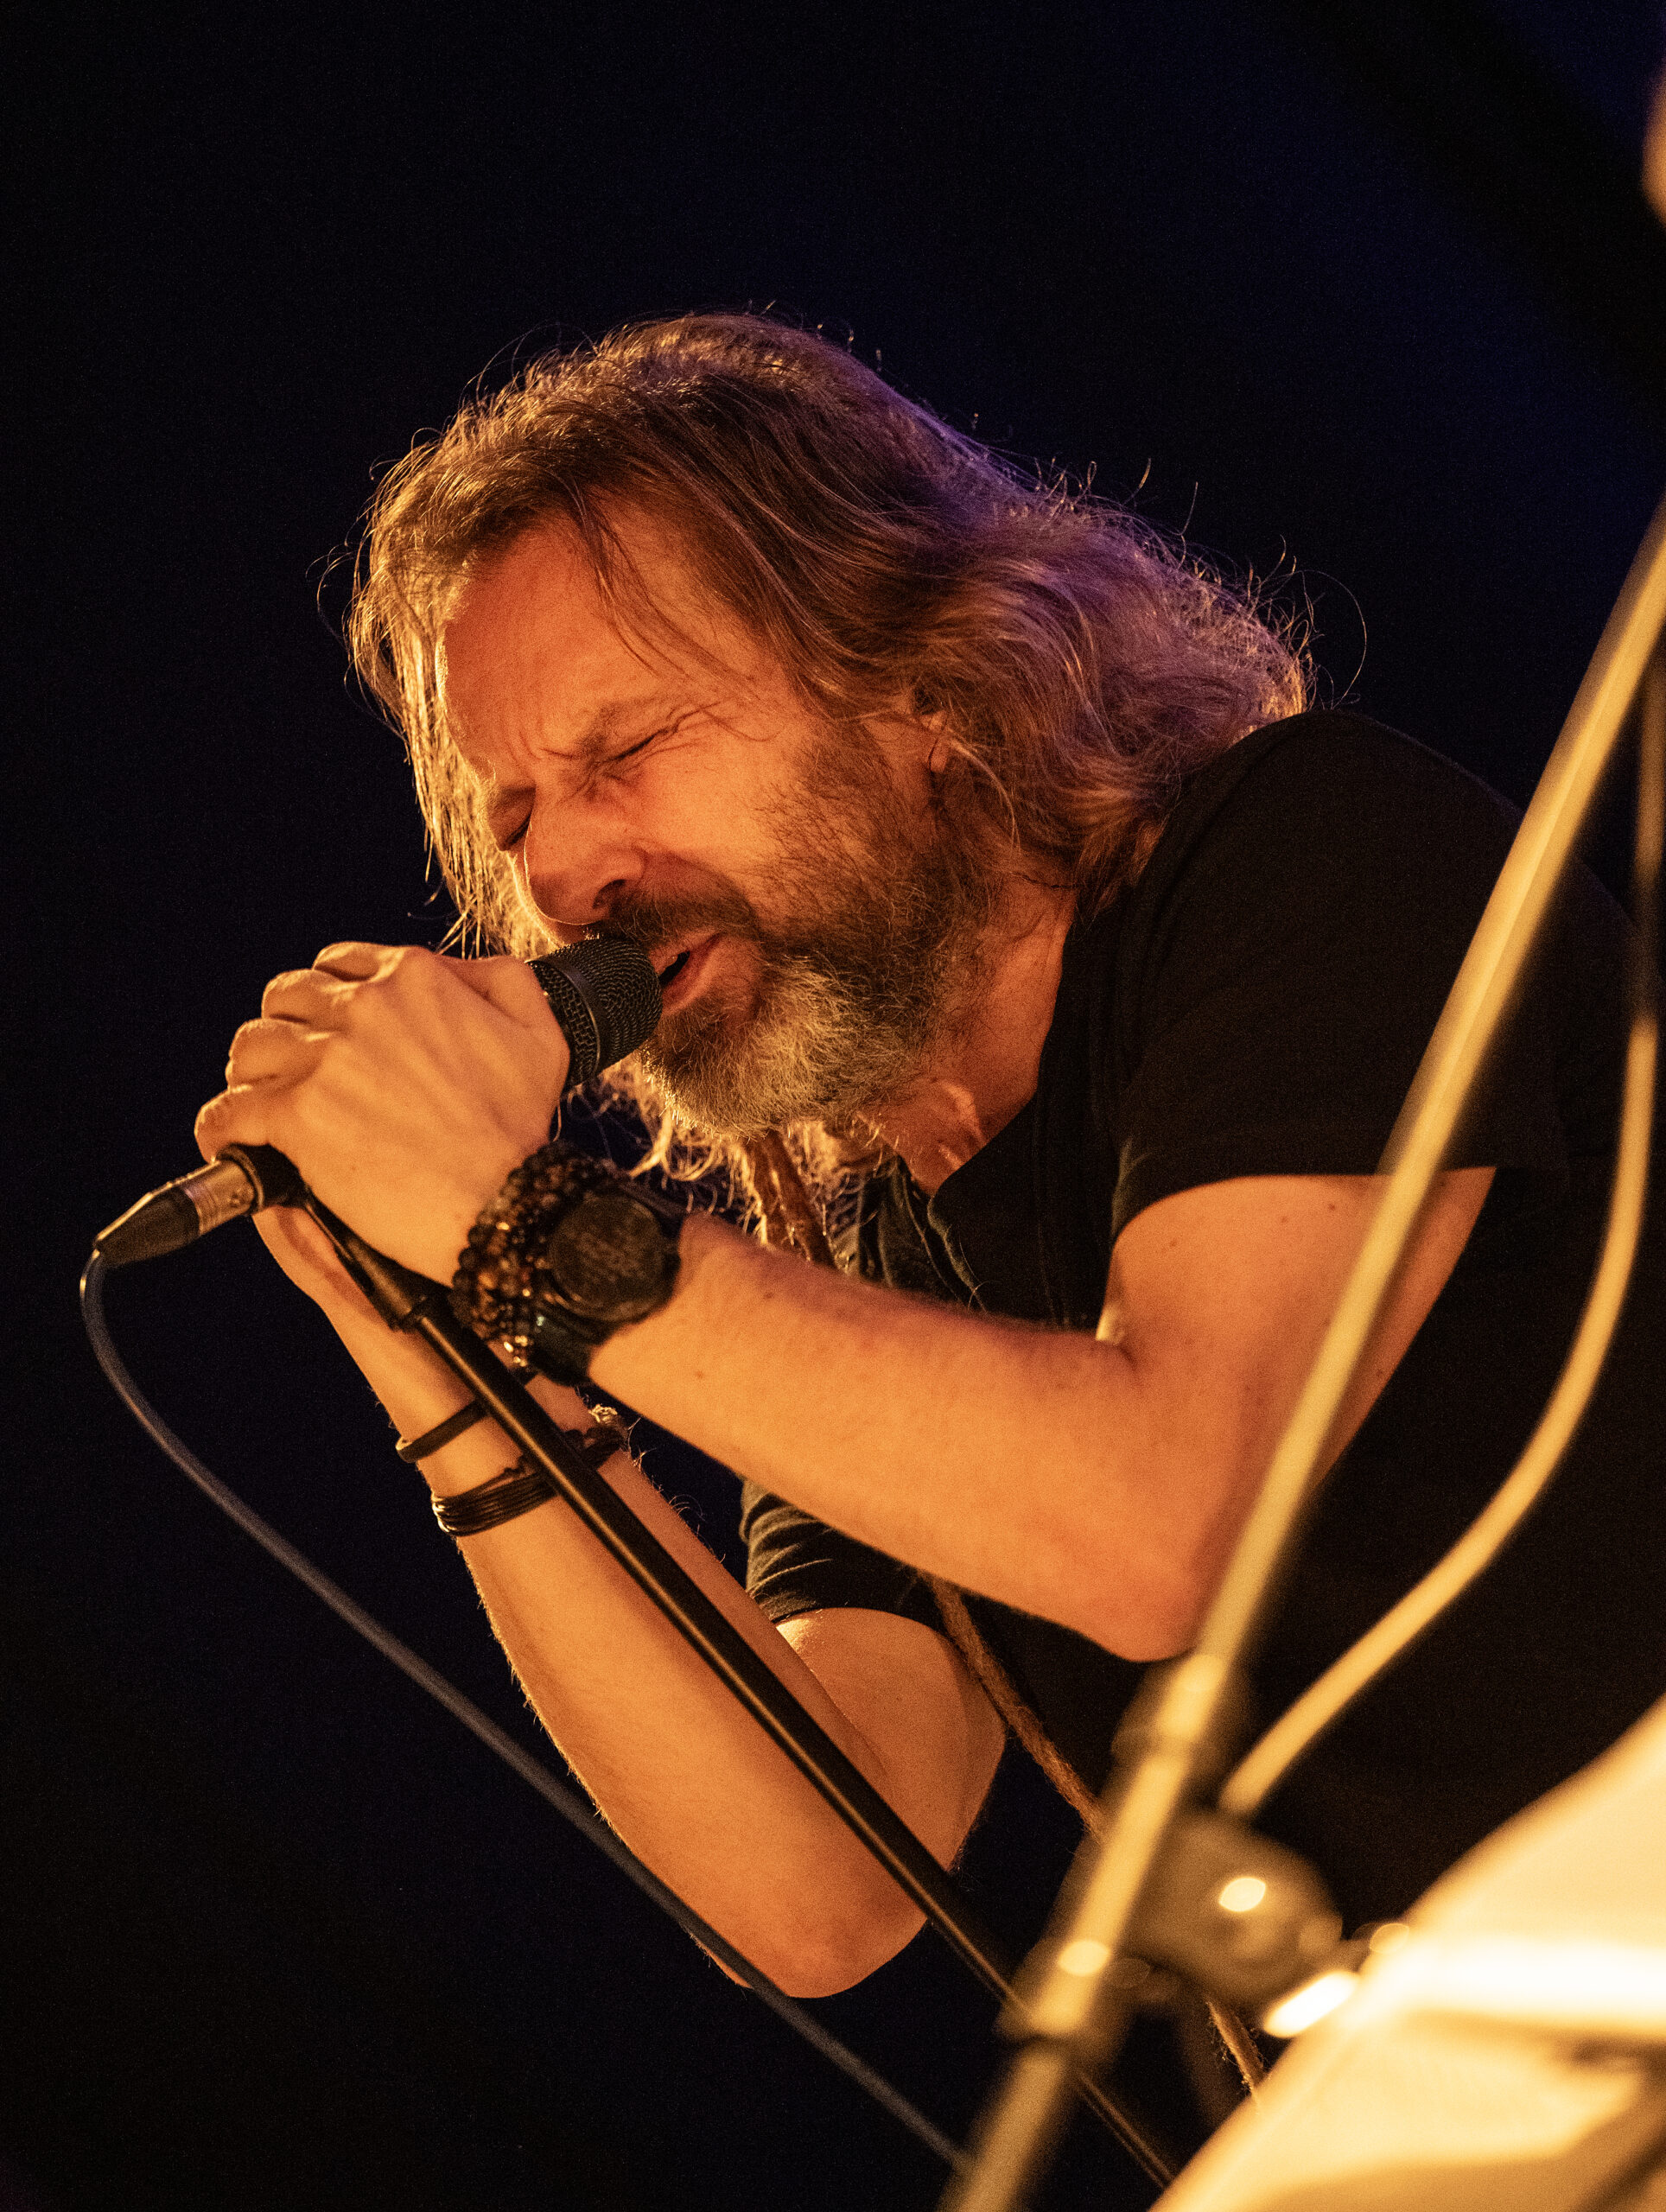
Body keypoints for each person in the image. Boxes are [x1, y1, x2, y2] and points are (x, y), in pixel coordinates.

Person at [194, 313, 1664, 2001]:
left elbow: (1163, 1520)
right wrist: (452, 1342)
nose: (567, 874)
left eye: (627, 751)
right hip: (1464, 2065)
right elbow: (818, 1886)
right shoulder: (861, 1257)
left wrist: (528, 1224)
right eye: (516, 815)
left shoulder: (1308, 850)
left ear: (927, 687)